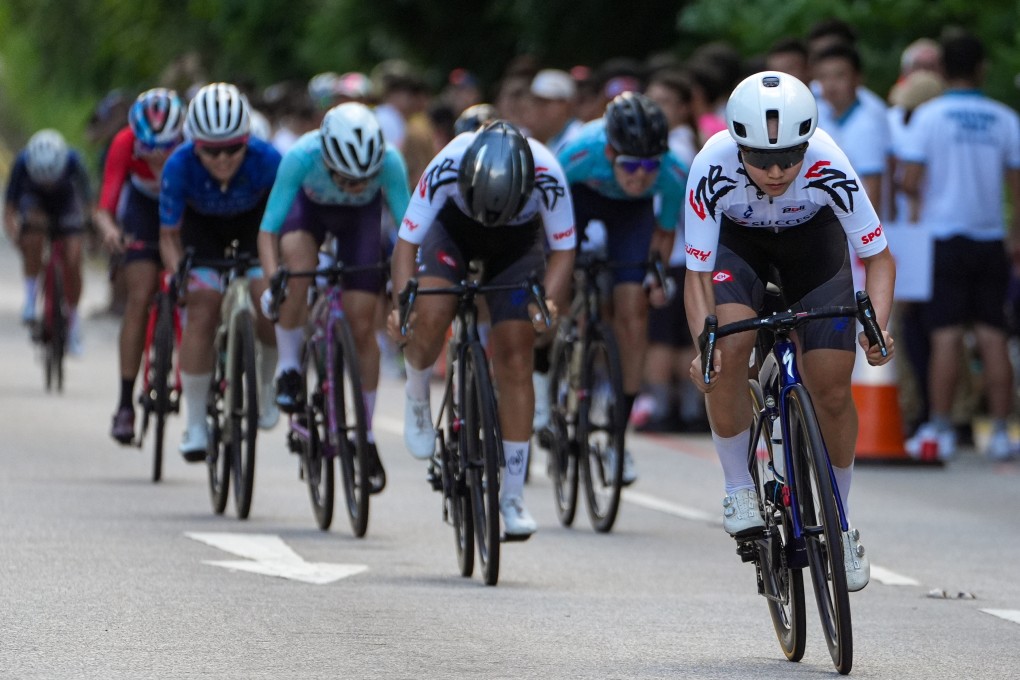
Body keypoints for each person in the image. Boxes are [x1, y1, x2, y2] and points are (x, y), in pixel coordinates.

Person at [683, 71, 896, 592]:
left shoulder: (829, 162)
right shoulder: (711, 164)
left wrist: (877, 326)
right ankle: (738, 487)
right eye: (760, 159)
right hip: (739, 249)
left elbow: (879, 258)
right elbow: (697, 275)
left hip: (813, 249)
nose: (776, 172)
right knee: (728, 348)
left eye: (788, 158)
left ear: (807, 145)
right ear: (738, 147)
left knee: (832, 387)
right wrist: (704, 346)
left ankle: (840, 523)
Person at [388, 121, 575, 538]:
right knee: (430, 313)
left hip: (516, 243)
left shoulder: (548, 172)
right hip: (453, 232)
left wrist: (547, 302)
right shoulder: (447, 164)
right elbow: (406, 243)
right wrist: (403, 307)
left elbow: (564, 250)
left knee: (517, 353)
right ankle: (417, 393)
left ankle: (512, 497)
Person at [257, 102, 411, 492]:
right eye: (344, 178)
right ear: (326, 160)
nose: (354, 186)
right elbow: (268, 230)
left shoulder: (391, 162)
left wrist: (405, 289)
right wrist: (275, 280)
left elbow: (409, 234)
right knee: (298, 268)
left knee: (362, 322)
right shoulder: (300, 157)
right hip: (307, 214)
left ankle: (366, 435)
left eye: (364, 179)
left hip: (359, 222)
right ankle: (289, 366)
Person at [553, 92, 687, 484]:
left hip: (632, 215)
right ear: (610, 152)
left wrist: (653, 277)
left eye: (650, 165)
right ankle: (550, 366)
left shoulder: (674, 171)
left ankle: (618, 437)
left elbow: (663, 234)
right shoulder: (578, 154)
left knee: (633, 312)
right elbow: (549, 218)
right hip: (579, 201)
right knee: (557, 287)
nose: (640, 175)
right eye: (630, 164)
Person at [898, 31, 1020, 462]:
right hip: (990, 239)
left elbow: (910, 180)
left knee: (945, 336)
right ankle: (1002, 432)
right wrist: (1015, 235)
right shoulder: (1004, 118)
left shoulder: (929, 117)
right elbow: (1016, 185)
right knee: (993, 336)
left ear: (943, 70)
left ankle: (940, 427)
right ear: (982, 68)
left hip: (943, 240)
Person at [159, 82, 282, 461]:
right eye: (212, 150)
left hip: (254, 229)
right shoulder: (179, 165)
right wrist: (179, 274)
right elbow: (168, 236)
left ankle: (265, 385)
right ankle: (196, 423)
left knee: (268, 303)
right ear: (195, 145)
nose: (223, 158)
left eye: (233, 148)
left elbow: (283, 227)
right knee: (202, 308)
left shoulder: (268, 160)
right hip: (202, 234)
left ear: (248, 140)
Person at [94, 88, 187, 444]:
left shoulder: (193, 146)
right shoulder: (124, 143)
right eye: (150, 150)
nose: (159, 158)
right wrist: (110, 231)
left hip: (186, 209)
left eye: (167, 149)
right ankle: (124, 404)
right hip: (143, 210)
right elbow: (104, 207)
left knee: (199, 290)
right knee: (139, 294)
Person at [3, 129, 91, 354]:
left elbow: (90, 205)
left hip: (67, 203)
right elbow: (10, 210)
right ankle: (31, 296)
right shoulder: (22, 163)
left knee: (73, 257)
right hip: (35, 204)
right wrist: (17, 238)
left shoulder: (74, 161)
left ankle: (73, 321)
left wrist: (87, 230)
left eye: (51, 180)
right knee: (32, 235)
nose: (48, 185)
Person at [812, 43, 891, 214]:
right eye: (824, 77)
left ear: (857, 78)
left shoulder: (867, 126)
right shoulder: (822, 118)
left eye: (839, 76)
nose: (830, 84)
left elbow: (873, 191)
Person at [525, 69, 584, 154]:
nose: (537, 107)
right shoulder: (522, 135)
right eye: (534, 100)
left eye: (545, 102)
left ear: (568, 105)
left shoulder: (580, 138)